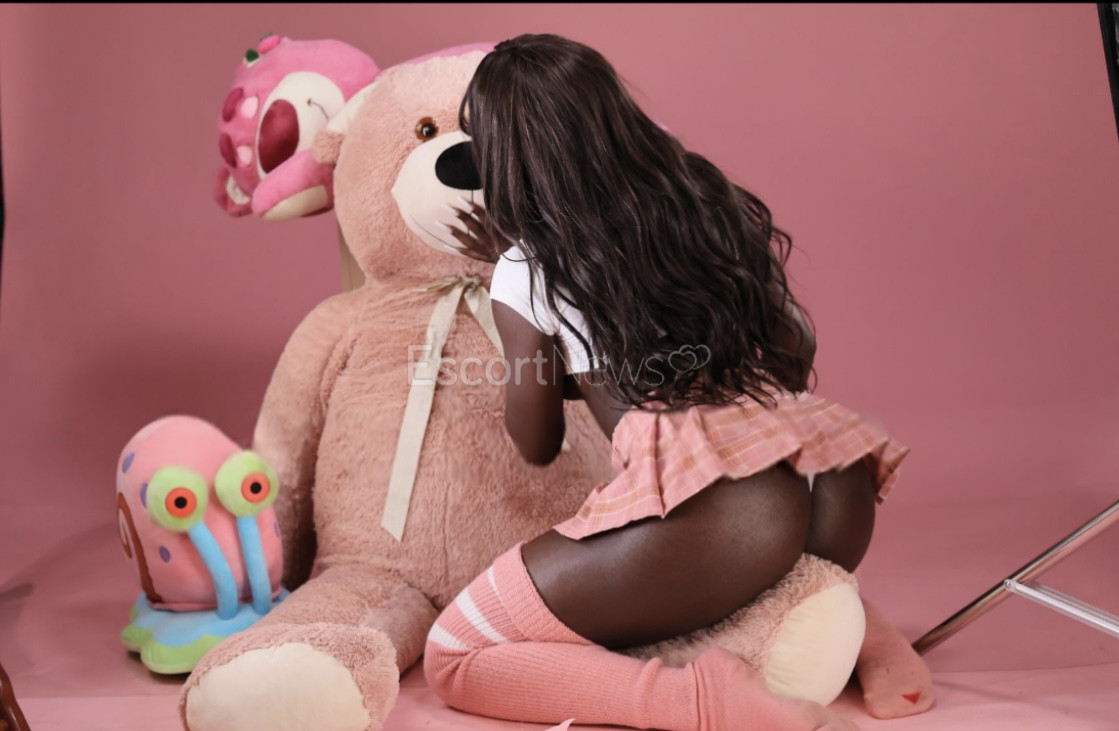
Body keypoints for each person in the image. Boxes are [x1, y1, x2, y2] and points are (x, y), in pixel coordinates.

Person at [424, 33, 916, 731]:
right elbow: (793, 347)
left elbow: (535, 440)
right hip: (827, 480)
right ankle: (872, 639)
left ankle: (702, 703)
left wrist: (514, 298)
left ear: (507, 159)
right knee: (761, 596)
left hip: (723, 513)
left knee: (456, 652)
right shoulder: (706, 198)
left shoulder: (527, 267)